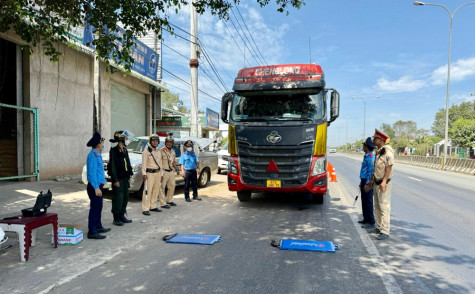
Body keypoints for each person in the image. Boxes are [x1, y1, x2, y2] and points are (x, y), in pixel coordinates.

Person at [368, 129, 394, 241]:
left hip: (383, 183)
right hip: (376, 183)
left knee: (384, 206)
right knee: (377, 206)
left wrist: (384, 182)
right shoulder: (379, 151)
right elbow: (376, 168)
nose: (373, 140)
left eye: (375, 138)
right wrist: (371, 181)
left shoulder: (387, 151)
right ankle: (379, 227)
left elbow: (389, 167)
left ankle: (385, 231)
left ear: (380, 139)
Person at [86, 132, 110, 239]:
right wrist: (96, 187)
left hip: (98, 185)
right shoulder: (92, 156)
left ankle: (98, 226)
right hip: (94, 186)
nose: (103, 143)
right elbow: (91, 173)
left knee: (99, 207)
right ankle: (92, 231)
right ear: (97, 144)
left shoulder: (97, 154)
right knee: (94, 208)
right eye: (102, 142)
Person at [109, 130, 134, 226]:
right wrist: (115, 180)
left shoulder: (125, 150)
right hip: (118, 179)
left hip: (124, 178)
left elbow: (127, 164)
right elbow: (113, 166)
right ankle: (116, 218)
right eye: (126, 138)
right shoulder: (114, 151)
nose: (127, 140)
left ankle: (122, 215)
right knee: (118, 198)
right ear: (121, 139)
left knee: (125, 197)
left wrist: (128, 176)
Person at [141, 134, 163, 215]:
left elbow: (160, 164)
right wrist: (143, 173)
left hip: (157, 173)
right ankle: (145, 208)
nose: (155, 142)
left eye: (156, 141)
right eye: (153, 140)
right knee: (147, 191)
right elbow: (144, 164)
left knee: (155, 191)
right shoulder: (146, 152)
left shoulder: (159, 152)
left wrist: (161, 174)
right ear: (150, 141)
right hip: (149, 174)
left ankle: (153, 206)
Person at [359, 137, 376, 229]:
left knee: (368, 201)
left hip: (367, 181)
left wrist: (368, 183)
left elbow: (371, 171)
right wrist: (361, 182)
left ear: (367, 147)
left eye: (364, 145)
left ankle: (371, 220)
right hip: (363, 180)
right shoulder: (366, 155)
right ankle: (365, 218)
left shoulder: (370, 157)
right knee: (364, 200)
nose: (363, 147)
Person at [159, 134, 179, 208]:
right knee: (162, 187)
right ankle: (162, 203)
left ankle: (169, 200)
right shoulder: (161, 150)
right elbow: (159, 162)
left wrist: (177, 169)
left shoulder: (173, 151)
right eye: (167, 142)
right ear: (165, 142)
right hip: (164, 171)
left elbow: (173, 161)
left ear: (172, 143)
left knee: (172, 186)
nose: (169, 144)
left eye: (170, 142)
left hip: (171, 171)